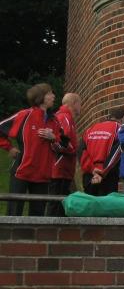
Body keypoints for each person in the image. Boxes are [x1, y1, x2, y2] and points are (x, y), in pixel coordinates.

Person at [0, 83, 60, 216]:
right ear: (41, 97)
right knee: (14, 213)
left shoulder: (55, 121)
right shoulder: (24, 115)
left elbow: (63, 146)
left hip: (43, 175)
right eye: (50, 93)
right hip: (22, 171)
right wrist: (9, 148)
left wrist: (53, 138)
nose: (54, 96)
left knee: (38, 216)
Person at [47, 92, 82, 216]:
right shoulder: (64, 118)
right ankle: (50, 228)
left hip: (63, 170)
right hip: (59, 170)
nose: (81, 107)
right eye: (80, 104)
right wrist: (73, 150)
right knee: (56, 205)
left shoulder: (65, 118)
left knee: (60, 206)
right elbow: (61, 141)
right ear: (73, 103)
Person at [79, 106, 124, 196]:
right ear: (123, 118)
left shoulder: (90, 129)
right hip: (108, 176)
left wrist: (92, 169)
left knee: (90, 203)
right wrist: (102, 173)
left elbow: (81, 151)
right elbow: (116, 153)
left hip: (89, 175)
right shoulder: (119, 129)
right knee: (106, 204)